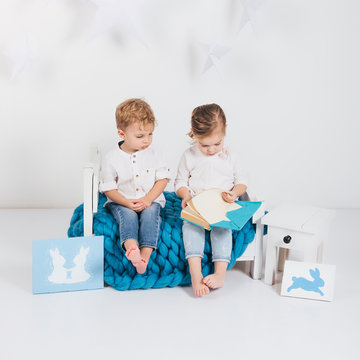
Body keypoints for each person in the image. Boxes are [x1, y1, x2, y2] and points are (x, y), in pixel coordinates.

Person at [175, 103, 248, 296]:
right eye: (204, 145)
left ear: (224, 133)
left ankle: (220, 274)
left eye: (217, 143)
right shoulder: (189, 155)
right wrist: (186, 195)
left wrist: (234, 193)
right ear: (194, 135)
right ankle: (196, 274)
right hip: (198, 205)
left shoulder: (231, 156)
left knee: (223, 230)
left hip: (222, 204)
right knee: (191, 228)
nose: (211, 150)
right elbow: (180, 181)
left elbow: (242, 182)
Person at [100, 98, 170, 274]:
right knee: (128, 217)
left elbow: (162, 180)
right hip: (122, 201)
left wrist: (148, 199)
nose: (147, 140)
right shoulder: (111, 158)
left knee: (151, 214)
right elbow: (109, 188)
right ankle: (132, 248)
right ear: (122, 134)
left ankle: (144, 257)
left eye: (150, 134)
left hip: (150, 199)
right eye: (140, 136)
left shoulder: (155, 154)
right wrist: (125, 202)